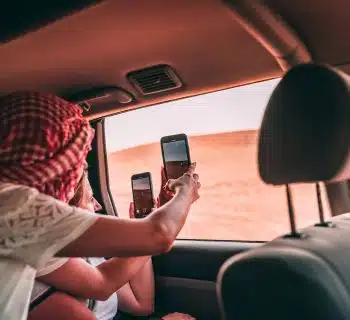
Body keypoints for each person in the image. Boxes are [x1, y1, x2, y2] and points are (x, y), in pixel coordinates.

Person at [0, 92, 200, 320]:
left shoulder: (33, 234)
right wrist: (185, 191)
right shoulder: (12, 206)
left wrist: (160, 213)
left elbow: (106, 285)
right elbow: (159, 234)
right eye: (74, 163)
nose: (75, 174)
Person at [29, 167, 195, 320]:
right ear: (69, 212)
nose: (98, 205)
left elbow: (141, 304)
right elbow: (102, 285)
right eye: (90, 199)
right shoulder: (34, 273)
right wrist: (184, 193)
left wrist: (145, 231)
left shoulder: (86, 258)